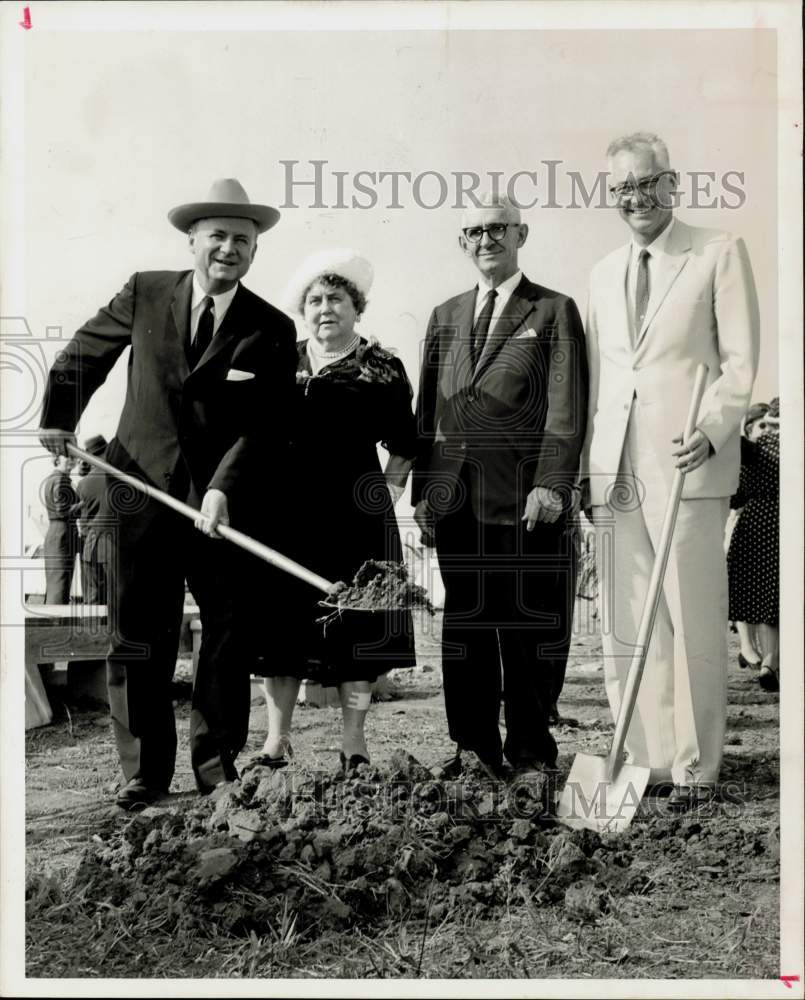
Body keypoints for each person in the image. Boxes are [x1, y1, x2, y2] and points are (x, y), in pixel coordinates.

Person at [38, 179, 298, 809]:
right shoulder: (145, 291)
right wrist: (59, 415)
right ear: (192, 241)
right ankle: (144, 773)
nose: (228, 249)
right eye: (217, 237)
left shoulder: (271, 327)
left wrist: (222, 489)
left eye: (242, 239)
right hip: (137, 494)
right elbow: (85, 353)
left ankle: (216, 769)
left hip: (223, 509)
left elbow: (267, 426)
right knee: (138, 635)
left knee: (227, 634)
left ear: (256, 250)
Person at [581, 132, 760, 811]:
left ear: (671, 182)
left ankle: (695, 763)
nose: (635, 197)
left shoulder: (715, 251)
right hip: (617, 465)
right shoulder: (601, 273)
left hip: (687, 460)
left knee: (689, 609)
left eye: (645, 183)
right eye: (622, 188)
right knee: (629, 617)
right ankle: (644, 757)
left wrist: (713, 431)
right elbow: (604, 376)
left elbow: (739, 361)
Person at [412, 193, 588, 780]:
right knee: (466, 627)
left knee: (526, 628)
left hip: (525, 503)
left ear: (521, 235)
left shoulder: (553, 310)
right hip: (458, 502)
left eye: (497, 229)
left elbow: (565, 411)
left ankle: (532, 753)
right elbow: (426, 415)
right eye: (474, 232)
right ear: (462, 242)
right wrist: (426, 495)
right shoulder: (444, 315)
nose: (486, 240)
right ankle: (473, 750)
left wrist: (553, 485)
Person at [252, 249, 418, 771]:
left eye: (337, 298)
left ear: (357, 307)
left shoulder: (382, 367)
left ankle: (353, 742)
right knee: (281, 631)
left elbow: (407, 443)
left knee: (359, 637)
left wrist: (384, 493)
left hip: (356, 523)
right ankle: (275, 742)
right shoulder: (282, 360)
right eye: (316, 300)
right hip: (287, 517)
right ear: (304, 310)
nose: (326, 308)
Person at [727, 400, 779, 691]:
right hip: (783, 520)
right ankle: (770, 662)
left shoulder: (753, 451)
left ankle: (751, 651)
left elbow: (737, 496)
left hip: (753, 520)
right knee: (774, 600)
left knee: (750, 591)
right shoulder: (789, 447)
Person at [74, 434, 110, 605]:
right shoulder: (121, 479)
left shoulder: (83, 484)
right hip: (115, 545)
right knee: (114, 597)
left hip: (91, 544)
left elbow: (80, 518)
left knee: (93, 597)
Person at [42, 453, 79, 604]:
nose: (72, 459)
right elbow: (62, 510)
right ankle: (55, 623)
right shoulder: (61, 479)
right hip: (62, 532)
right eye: (67, 457)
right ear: (57, 459)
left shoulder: (53, 479)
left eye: (73, 457)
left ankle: (53, 622)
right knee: (60, 583)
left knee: (56, 581)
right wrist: (85, 503)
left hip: (57, 531)